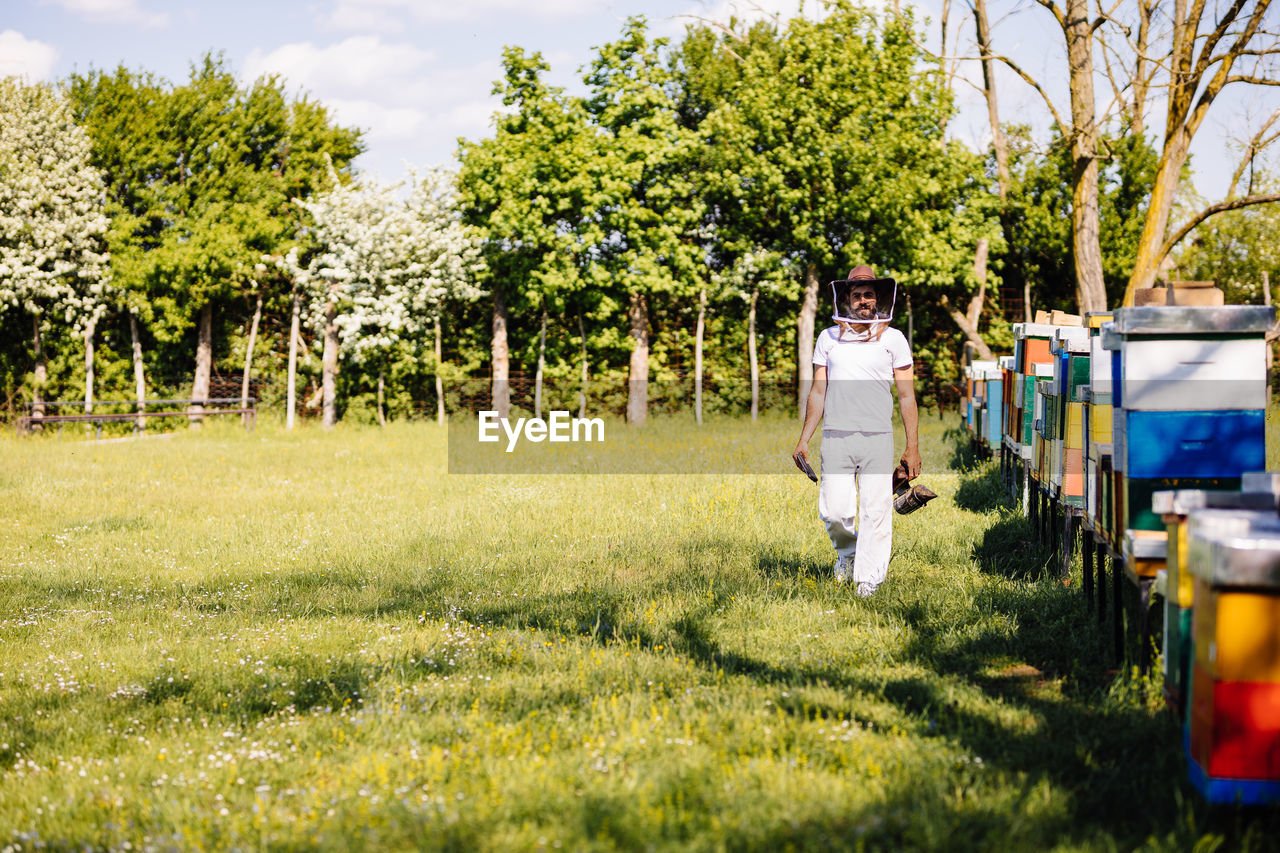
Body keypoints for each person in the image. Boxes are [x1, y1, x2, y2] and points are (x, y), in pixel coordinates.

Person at [791, 265, 921, 597]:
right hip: (836, 436)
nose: (862, 300)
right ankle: (847, 556)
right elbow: (818, 392)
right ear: (845, 299)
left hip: (878, 438)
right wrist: (804, 438)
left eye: (868, 294)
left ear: (879, 299)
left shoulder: (894, 339)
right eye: (856, 294)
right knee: (835, 512)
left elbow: (906, 395)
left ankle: (869, 580)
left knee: (876, 510)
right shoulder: (828, 338)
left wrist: (912, 447)